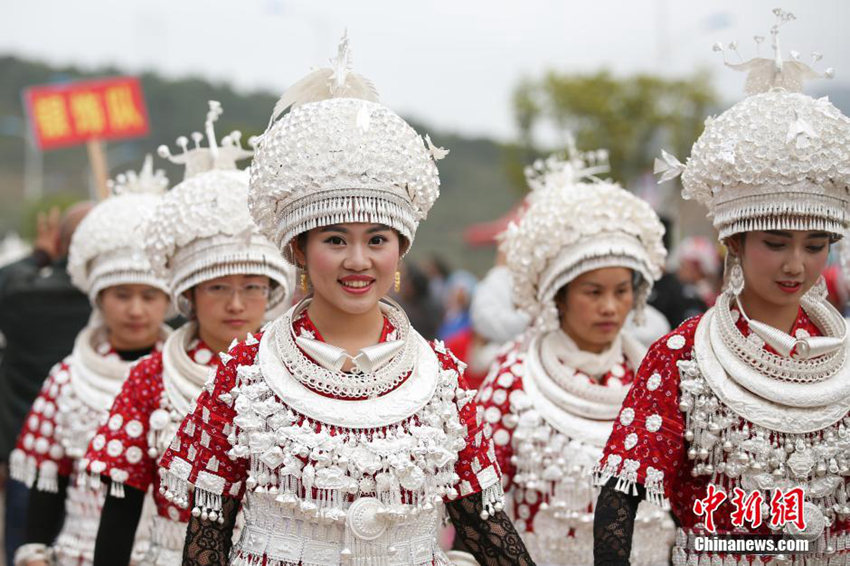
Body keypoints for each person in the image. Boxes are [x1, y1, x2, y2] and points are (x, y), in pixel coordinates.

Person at [157, 34, 534, 565]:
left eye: (377, 239)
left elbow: (482, 523)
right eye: (336, 240)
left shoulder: (438, 376)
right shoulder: (247, 371)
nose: (359, 260)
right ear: (299, 250)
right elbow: (208, 535)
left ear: (400, 251)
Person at [593, 11, 850, 565]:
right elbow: (619, 498)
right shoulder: (682, 358)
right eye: (776, 242)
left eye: (815, 244)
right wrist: (774, 519)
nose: (797, 265)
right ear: (732, 241)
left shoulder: (843, 357)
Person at [82, 102, 295, 566]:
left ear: (273, 292)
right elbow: (121, 505)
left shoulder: (305, 373)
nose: (236, 305)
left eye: (252, 288)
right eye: (218, 288)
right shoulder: (151, 379)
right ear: (189, 296)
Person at [474, 150, 674, 565]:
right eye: (593, 292)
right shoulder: (514, 378)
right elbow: (482, 503)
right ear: (558, 297)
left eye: (621, 291)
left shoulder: (656, 377)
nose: (610, 308)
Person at [10, 158, 172, 566]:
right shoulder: (68, 377)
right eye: (121, 295)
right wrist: (33, 549)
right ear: (98, 299)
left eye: (148, 296)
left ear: (168, 303)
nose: (136, 310)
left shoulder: (189, 375)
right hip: (77, 551)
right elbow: (50, 477)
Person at [0, 203, 93, 564]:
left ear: (58, 242)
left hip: (30, 456)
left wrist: (40, 252)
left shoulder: (20, 294)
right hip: (100, 459)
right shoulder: (114, 300)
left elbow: (6, 276)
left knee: (28, 552)